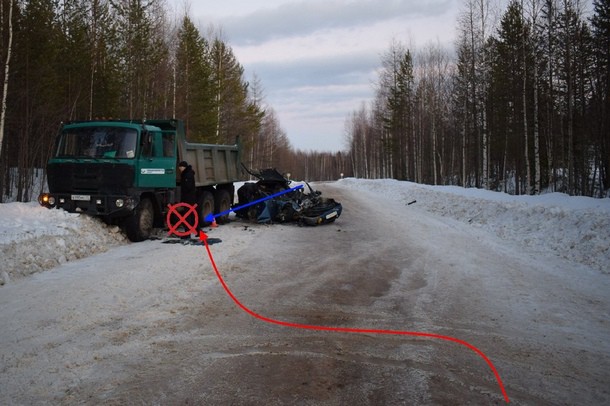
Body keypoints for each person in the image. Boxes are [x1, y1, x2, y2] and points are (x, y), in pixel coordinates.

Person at [178, 161, 197, 237]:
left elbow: (188, 187)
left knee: (187, 216)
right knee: (191, 215)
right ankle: (198, 231)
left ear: (183, 167)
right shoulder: (187, 173)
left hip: (188, 198)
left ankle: (187, 233)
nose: (179, 169)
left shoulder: (187, 175)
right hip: (190, 198)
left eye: (180, 167)